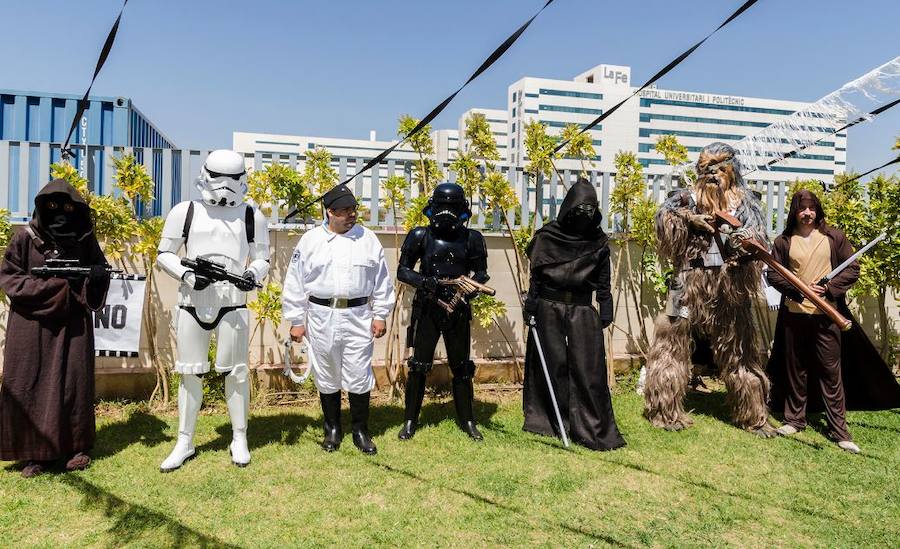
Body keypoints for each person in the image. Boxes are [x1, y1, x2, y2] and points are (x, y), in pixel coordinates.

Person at [643, 142, 774, 436]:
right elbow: (663, 219)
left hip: (729, 285)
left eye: (718, 168)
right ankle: (663, 410)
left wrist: (741, 239)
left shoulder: (745, 203)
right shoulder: (686, 199)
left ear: (733, 169)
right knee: (670, 344)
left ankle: (752, 415)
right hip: (685, 282)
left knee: (740, 347)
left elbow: (758, 239)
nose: (712, 174)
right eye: (705, 169)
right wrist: (688, 219)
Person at [156, 149, 270, 471]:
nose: (225, 186)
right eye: (219, 177)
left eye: (233, 179)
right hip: (193, 301)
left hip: (233, 302)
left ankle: (239, 436)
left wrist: (252, 274)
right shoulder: (186, 211)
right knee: (189, 372)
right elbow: (165, 253)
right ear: (205, 175)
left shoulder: (252, 216)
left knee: (236, 373)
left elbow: (262, 257)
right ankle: (185, 440)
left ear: (243, 180)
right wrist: (188, 275)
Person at [766, 189, 900, 453]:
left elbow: (852, 270)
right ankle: (794, 420)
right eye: (802, 208)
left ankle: (839, 430)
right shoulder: (783, 241)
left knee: (830, 372)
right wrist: (799, 290)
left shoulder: (834, 237)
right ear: (795, 211)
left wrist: (827, 289)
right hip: (795, 315)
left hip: (827, 316)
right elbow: (774, 274)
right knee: (797, 370)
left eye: (812, 208)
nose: (807, 213)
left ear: (817, 211)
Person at [0, 179, 111, 477]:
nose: (60, 215)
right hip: (32, 325)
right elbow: (11, 278)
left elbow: (97, 270)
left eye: (67, 208)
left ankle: (76, 447)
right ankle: (35, 453)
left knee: (73, 385)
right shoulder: (26, 238)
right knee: (32, 385)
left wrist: (97, 278)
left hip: (73, 324)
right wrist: (58, 287)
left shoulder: (85, 238)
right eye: (52, 208)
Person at [282, 184, 395, 455]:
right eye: (345, 211)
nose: (352, 215)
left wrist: (380, 314)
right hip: (322, 316)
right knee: (327, 372)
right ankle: (332, 429)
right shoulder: (310, 241)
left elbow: (381, 281)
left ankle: (360, 429)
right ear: (329, 211)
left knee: (359, 373)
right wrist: (297, 319)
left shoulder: (367, 239)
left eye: (354, 210)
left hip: (358, 315)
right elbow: (295, 282)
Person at [522, 177, 625, 451]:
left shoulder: (599, 242)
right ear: (569, 208)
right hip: (548, 307)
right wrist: (531, 305)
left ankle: (589, 427)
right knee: (552, 364)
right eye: (580, 209)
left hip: (582, 309)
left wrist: (606, 308)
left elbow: (604, 282)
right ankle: (550, 420)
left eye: (590, 210)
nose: (584, 216)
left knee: (588, 369)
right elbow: (537, 277)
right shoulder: (547, 237)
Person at [396, 182, 489, 441]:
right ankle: (410, 420)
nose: (446, 214)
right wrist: (425, 281)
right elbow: (403, 270)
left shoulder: (473, 238)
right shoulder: (419, 236)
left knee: (461, 367)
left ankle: (468, 420)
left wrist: (471, 287)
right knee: (419, 366)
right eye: (442, 207)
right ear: (432, 208)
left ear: (462, 210)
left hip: (458, 308)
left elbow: (481, 272)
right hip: (427, 306)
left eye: (452, 208)